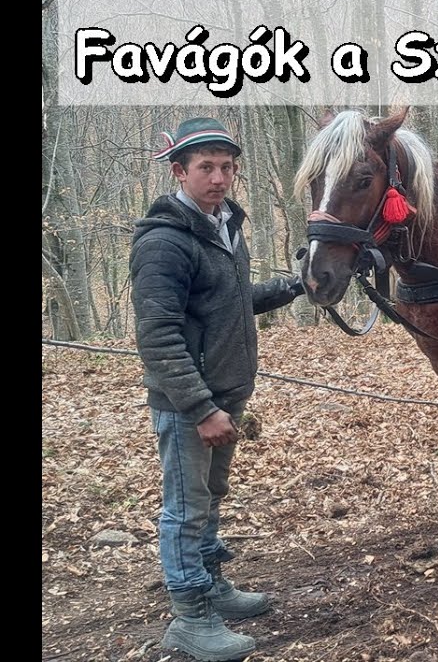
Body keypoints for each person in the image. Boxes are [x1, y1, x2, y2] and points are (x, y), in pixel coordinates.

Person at [131, 117, 305, 661]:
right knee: (184, 506)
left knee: (210, 498)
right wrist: (201, 408)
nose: (220, 178)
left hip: (225, 392)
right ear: (179, 171)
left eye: (227, 167)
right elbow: (156, 335)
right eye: (206, 167)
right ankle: (189, 615)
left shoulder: (222, 228)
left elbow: (229, 299)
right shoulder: (164, 242)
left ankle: (211, 584)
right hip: (190, 403)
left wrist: (297, 286)